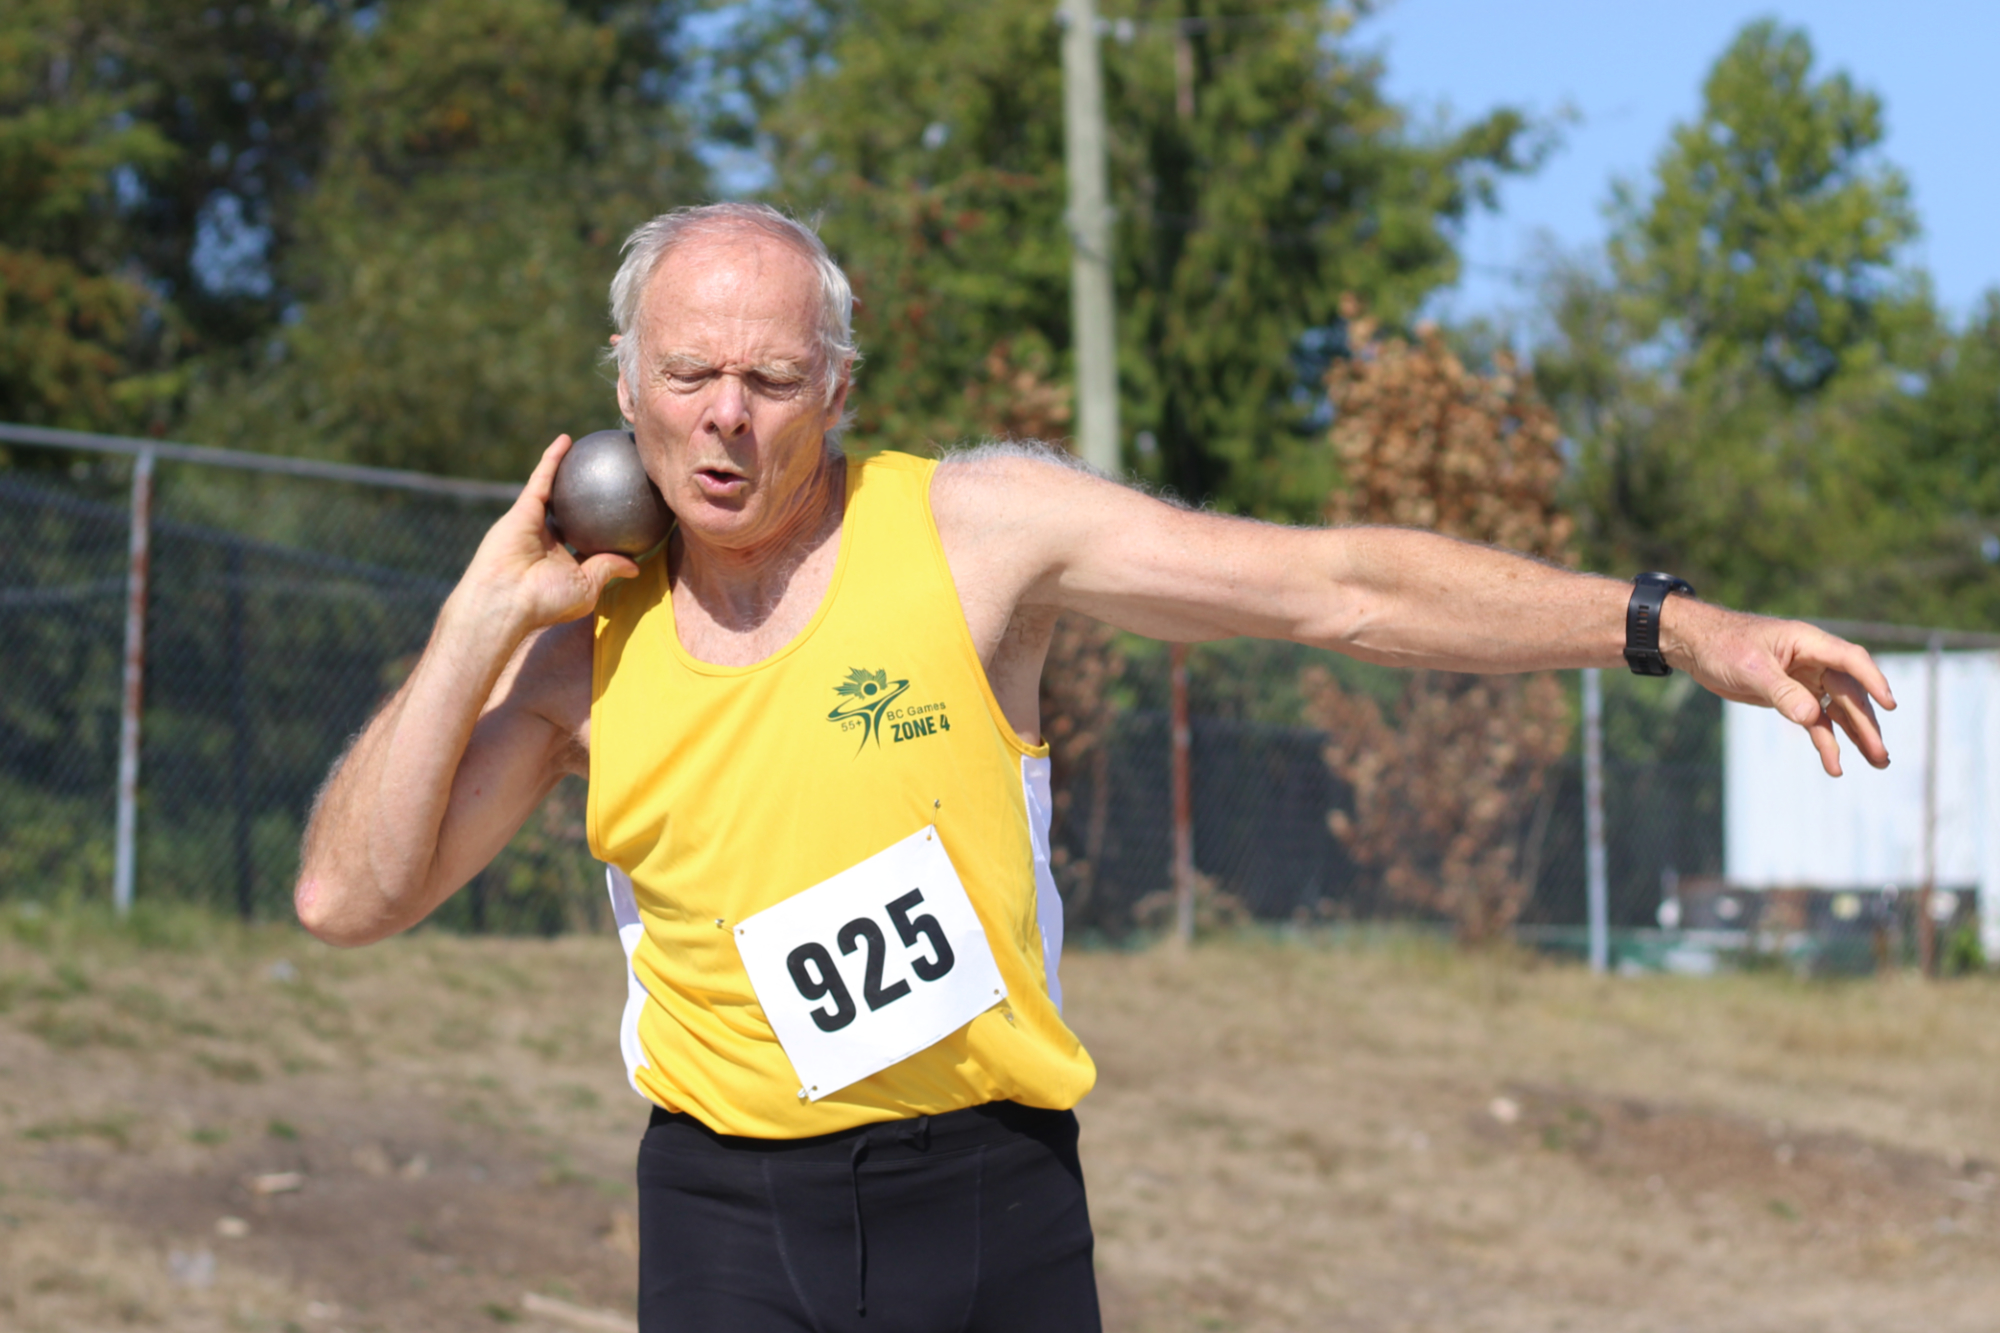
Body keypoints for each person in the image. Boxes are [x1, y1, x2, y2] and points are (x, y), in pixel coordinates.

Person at [294, 203, 1894, 1332]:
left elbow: (1334, 585)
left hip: (987, 1196)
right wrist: (475, 618)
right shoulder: (584, 646)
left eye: (772, 380)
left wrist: (1675, 626)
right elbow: (349, 898)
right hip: (723, 1223)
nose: (725, 421)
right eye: (687, 377)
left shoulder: (976, 532)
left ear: (836, 391)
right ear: (623, 393)